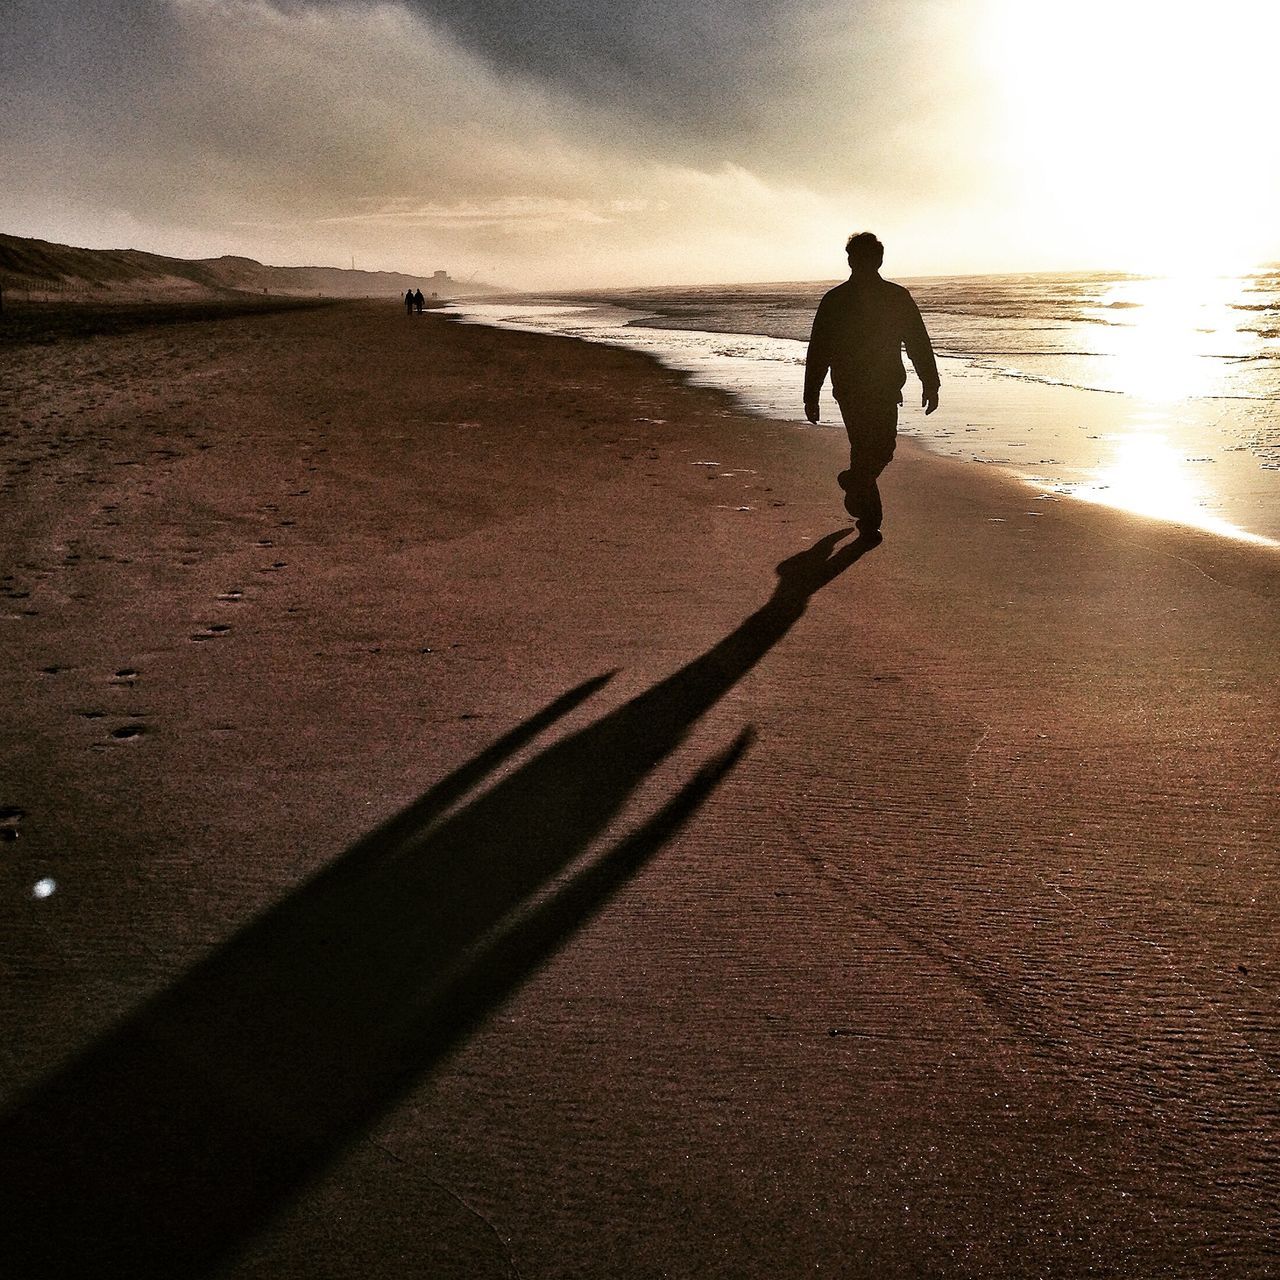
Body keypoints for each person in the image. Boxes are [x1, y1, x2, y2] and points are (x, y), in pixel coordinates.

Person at [804, 232, 939, 534]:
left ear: (874, 260)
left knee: (876, 449)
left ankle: (857, 486)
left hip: (881, 387)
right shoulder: (842, 300)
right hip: (857, 389)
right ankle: (869, 516)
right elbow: (819, 351)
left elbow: (918, 342)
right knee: (871, 448)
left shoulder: (890, 297)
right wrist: (810, 395)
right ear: (854, 261)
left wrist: (931, 382)